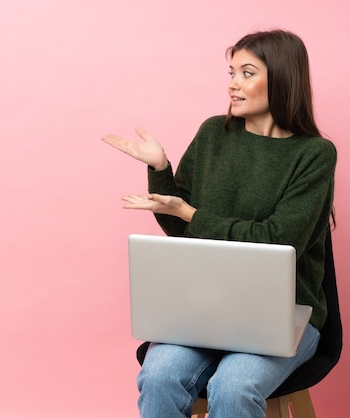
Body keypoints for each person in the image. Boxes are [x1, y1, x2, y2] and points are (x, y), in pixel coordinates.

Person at [101, 29, 336, 418]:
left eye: (247, 73)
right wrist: (160, 169)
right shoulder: (214, 134)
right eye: (231, 74)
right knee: (159, 378)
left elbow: (277, 241)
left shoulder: (314, 154)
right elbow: (184, 229)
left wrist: (190, 213)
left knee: (234, 386)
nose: (233, 85)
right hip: (204, 310)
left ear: (281, 78)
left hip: (284, 314)